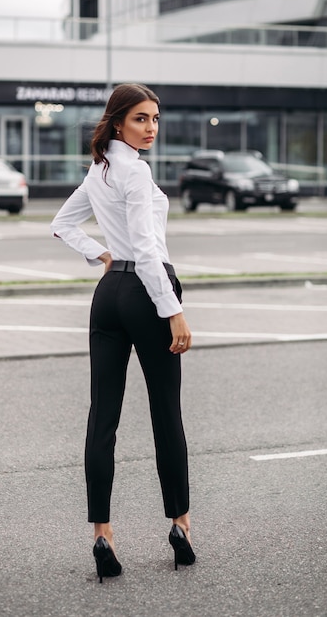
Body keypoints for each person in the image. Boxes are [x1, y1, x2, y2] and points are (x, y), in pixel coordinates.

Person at [51, 83, 195, 582]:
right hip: (144, 294)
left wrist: (101, 255)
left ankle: (102, 534)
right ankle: (180, 527)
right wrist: (172, 308)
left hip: (108, 294)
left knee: (102, 417)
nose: (150, 127)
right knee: (165, 413)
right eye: (140, 118)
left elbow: (61, 223)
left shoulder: (100, 169)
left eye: (155, 118)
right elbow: (149, 250)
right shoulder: (134, 170)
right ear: (117, 122)